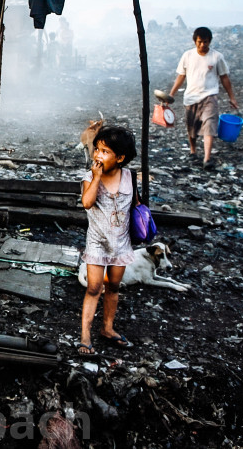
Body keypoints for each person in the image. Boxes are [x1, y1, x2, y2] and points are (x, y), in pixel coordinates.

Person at [78, 125, 137, 356]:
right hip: (97, 242)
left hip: (120, 243)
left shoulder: (129, 177)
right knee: (93, 288)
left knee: (113, 287)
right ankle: (85, 336)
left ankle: (108, 328)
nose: (98, 155)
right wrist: (96, 177)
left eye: (105, 152)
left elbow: (134, 206)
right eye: (97, 150)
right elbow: (87, 203)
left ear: (120, 158)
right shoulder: (89, 177)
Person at [167, 26, 238, 170]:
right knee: (192, 128)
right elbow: (181, 76)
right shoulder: (187, 56)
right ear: (195, 41)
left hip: (209, 96)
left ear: (210, 41)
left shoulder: (216, 57)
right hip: (191, 97)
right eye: (199, 42)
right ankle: (193, 151)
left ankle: (207, 159)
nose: (202, 45)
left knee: (209, 125)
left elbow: (224, 78)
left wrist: (232, 97)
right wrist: (171, 94)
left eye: (205, 42)